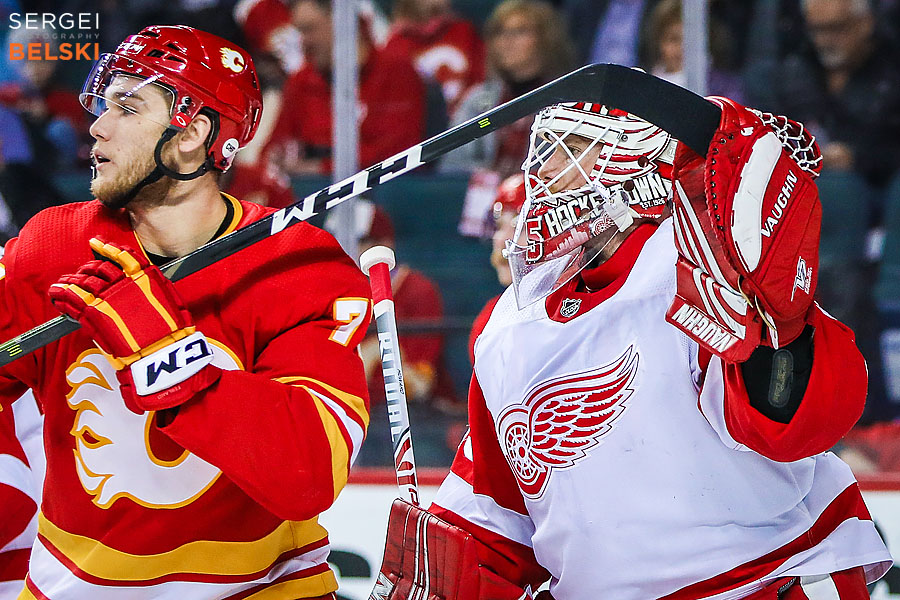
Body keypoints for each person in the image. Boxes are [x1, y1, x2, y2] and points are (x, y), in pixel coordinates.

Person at [424, 99, 893, 598]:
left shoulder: (692, 264)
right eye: (542, 153)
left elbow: (794, 424)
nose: (545, 172)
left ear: (633, 163)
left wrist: (779, 327)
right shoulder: (507, 325)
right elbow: (496, 512)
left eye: (574, 150)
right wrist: (444, 574)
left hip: (751, 582)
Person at [0, 25, 372, 599]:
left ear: (193, 133)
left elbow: (309, 474)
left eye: (127, 107)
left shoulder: (297, 266)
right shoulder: (52, 245)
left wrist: (162, 350)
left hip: (262, 589)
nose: (97, 125)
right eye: (103, 104)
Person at [354, 201, 464, 467]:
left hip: (418, 414)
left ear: (385, 243)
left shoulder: (418, 290)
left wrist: (368, 359)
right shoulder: (341, 294)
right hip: (361, 410)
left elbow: (417, 385)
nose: (351, 249)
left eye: (362, 241)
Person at [262, 0, 426, 176]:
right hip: (309, 194)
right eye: (300, 32)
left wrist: (321, 168)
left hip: (381, 193)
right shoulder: (301, 80)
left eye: (309, 30)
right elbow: (273, 150)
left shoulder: (397, 73)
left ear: (343, 24)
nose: (304, 43)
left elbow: (400, 154)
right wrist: (278, 160)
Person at [440, 0, 574, 176]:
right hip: (485, 200)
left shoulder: (569, 102)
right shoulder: (478, 100)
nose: (507, 41)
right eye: (500, 32)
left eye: (520, 31)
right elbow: (451, 167)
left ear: (546, 38)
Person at [382, 0, 485, 114]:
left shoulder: (464, 31)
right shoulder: (396, 44)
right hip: (422, 125)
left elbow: (482, 82)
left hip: (469, 119)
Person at [468, 173, 526, 365]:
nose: (501, 239)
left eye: (519, 225)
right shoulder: (490, 320)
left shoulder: (585, 303)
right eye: (499, 226)